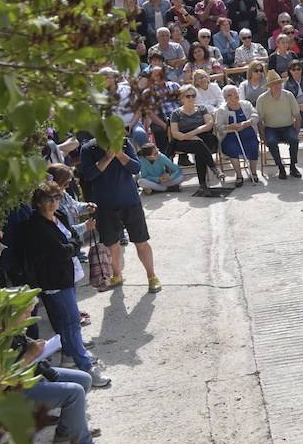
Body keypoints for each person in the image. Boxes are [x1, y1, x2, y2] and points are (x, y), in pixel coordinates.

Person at [21, 182, 110, 386]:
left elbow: (69, 242)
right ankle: (86, 366)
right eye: (49, 198)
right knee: (71, 323)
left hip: (69, 274)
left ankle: (69, 356)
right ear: (38, 202)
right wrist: (75, 243)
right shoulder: (35, 226)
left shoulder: (58, 215)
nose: (54, 202)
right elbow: (62, 250)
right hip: (53, 280)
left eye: (57, 197)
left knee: (67, 323)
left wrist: (73, 244)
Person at [79, 136, 160, 293]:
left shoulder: (123, 142)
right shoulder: (89, 148)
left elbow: (136, 168)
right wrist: (107, 158)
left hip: (130, 201)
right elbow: (89, 175)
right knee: (111, 244)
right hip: (105, 205)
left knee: (141, 241)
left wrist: (120, 154)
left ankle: (152, 277)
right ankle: (117, 276)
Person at [169, 86, 222, 197]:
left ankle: (203, 186)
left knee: (199, 148)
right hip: (183, 140)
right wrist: (188, 136)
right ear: (182, 98)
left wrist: (193, 133)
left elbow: (209, 124)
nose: (191, 98)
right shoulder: (176, 113)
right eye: (188, 96)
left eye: (193, 96)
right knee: (199, 145)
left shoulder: (202, 108)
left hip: (202, 137)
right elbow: (174, 133)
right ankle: (214, 168)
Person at [257, 69, 302, 178]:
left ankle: (292, 166)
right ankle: (280, 167)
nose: (277, 86)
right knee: (271, 141)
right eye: (273, 84)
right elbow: (259, 121)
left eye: (278, 83)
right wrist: (263, 136)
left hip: (288, 127)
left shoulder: (288, 95)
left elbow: (298, 117)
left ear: (282, 84)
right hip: (271, 128)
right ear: (269, 86)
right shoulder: (262, 99)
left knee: (294, 140)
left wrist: (296, 132)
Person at [217, 85, 261, 186]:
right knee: (232, 149)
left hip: (248, 134)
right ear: (226, 97)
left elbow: (255, 116)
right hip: (231, 137)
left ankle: (253, 172)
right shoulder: (222, 110)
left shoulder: (246, 104)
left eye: (237, 93)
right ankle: (239, 175)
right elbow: (218, 126)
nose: (236, 96)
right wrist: (229, 127)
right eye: (233, 94)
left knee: (253, 146)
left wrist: (247, 123)